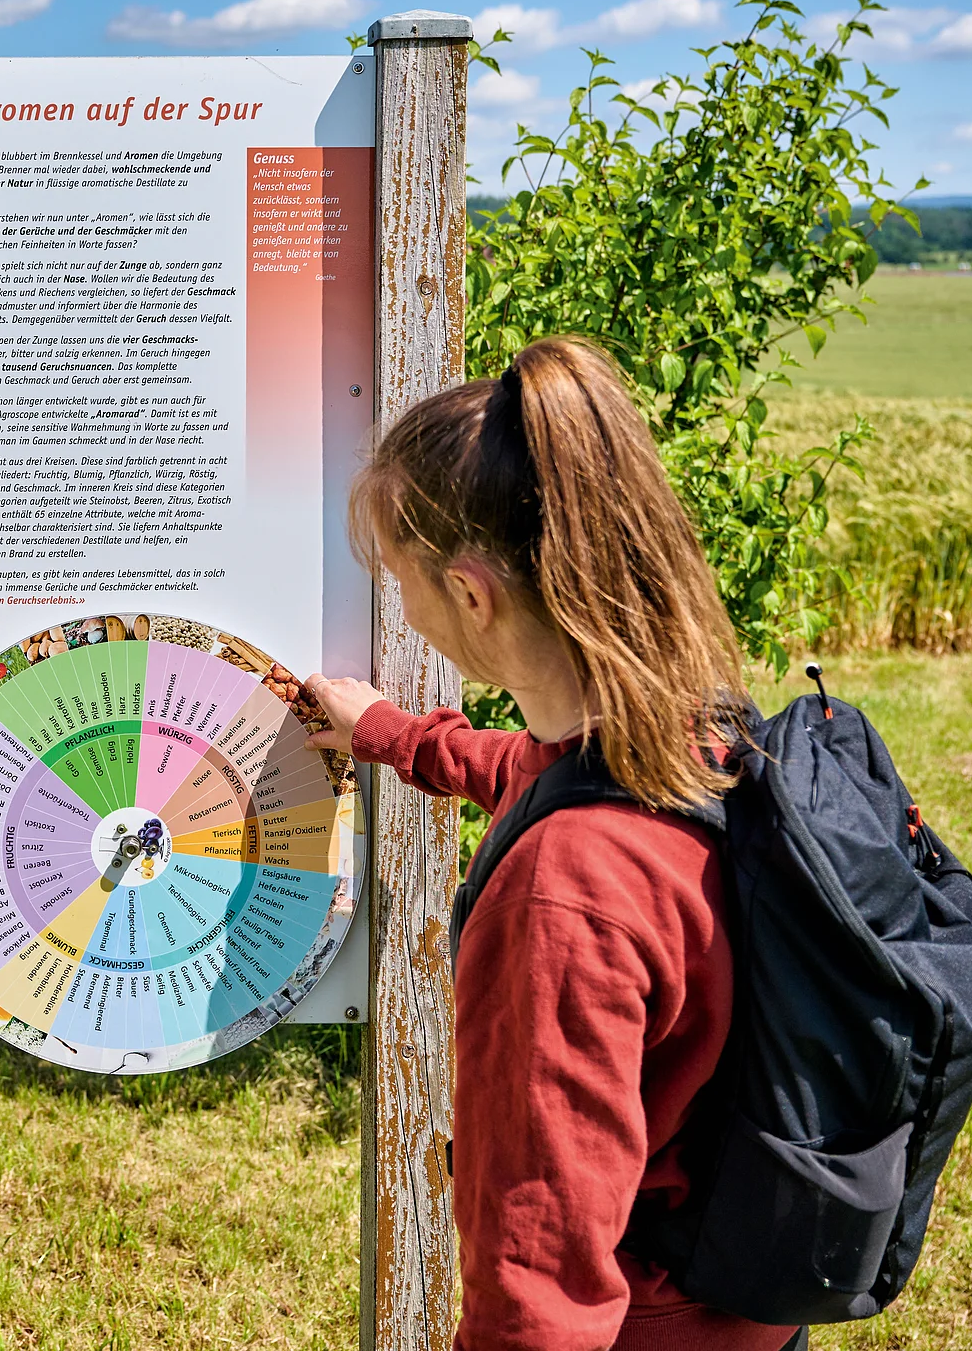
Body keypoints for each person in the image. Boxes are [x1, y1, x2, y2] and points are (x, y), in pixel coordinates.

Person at [303, 337, 803, 1351]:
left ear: (473, 593)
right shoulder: (698, 738)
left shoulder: (560, 898)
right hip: (746, 1313)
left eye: (406, 579)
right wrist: (392, 734)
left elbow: (541, 1292)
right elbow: (534, 774)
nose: (404, 605)